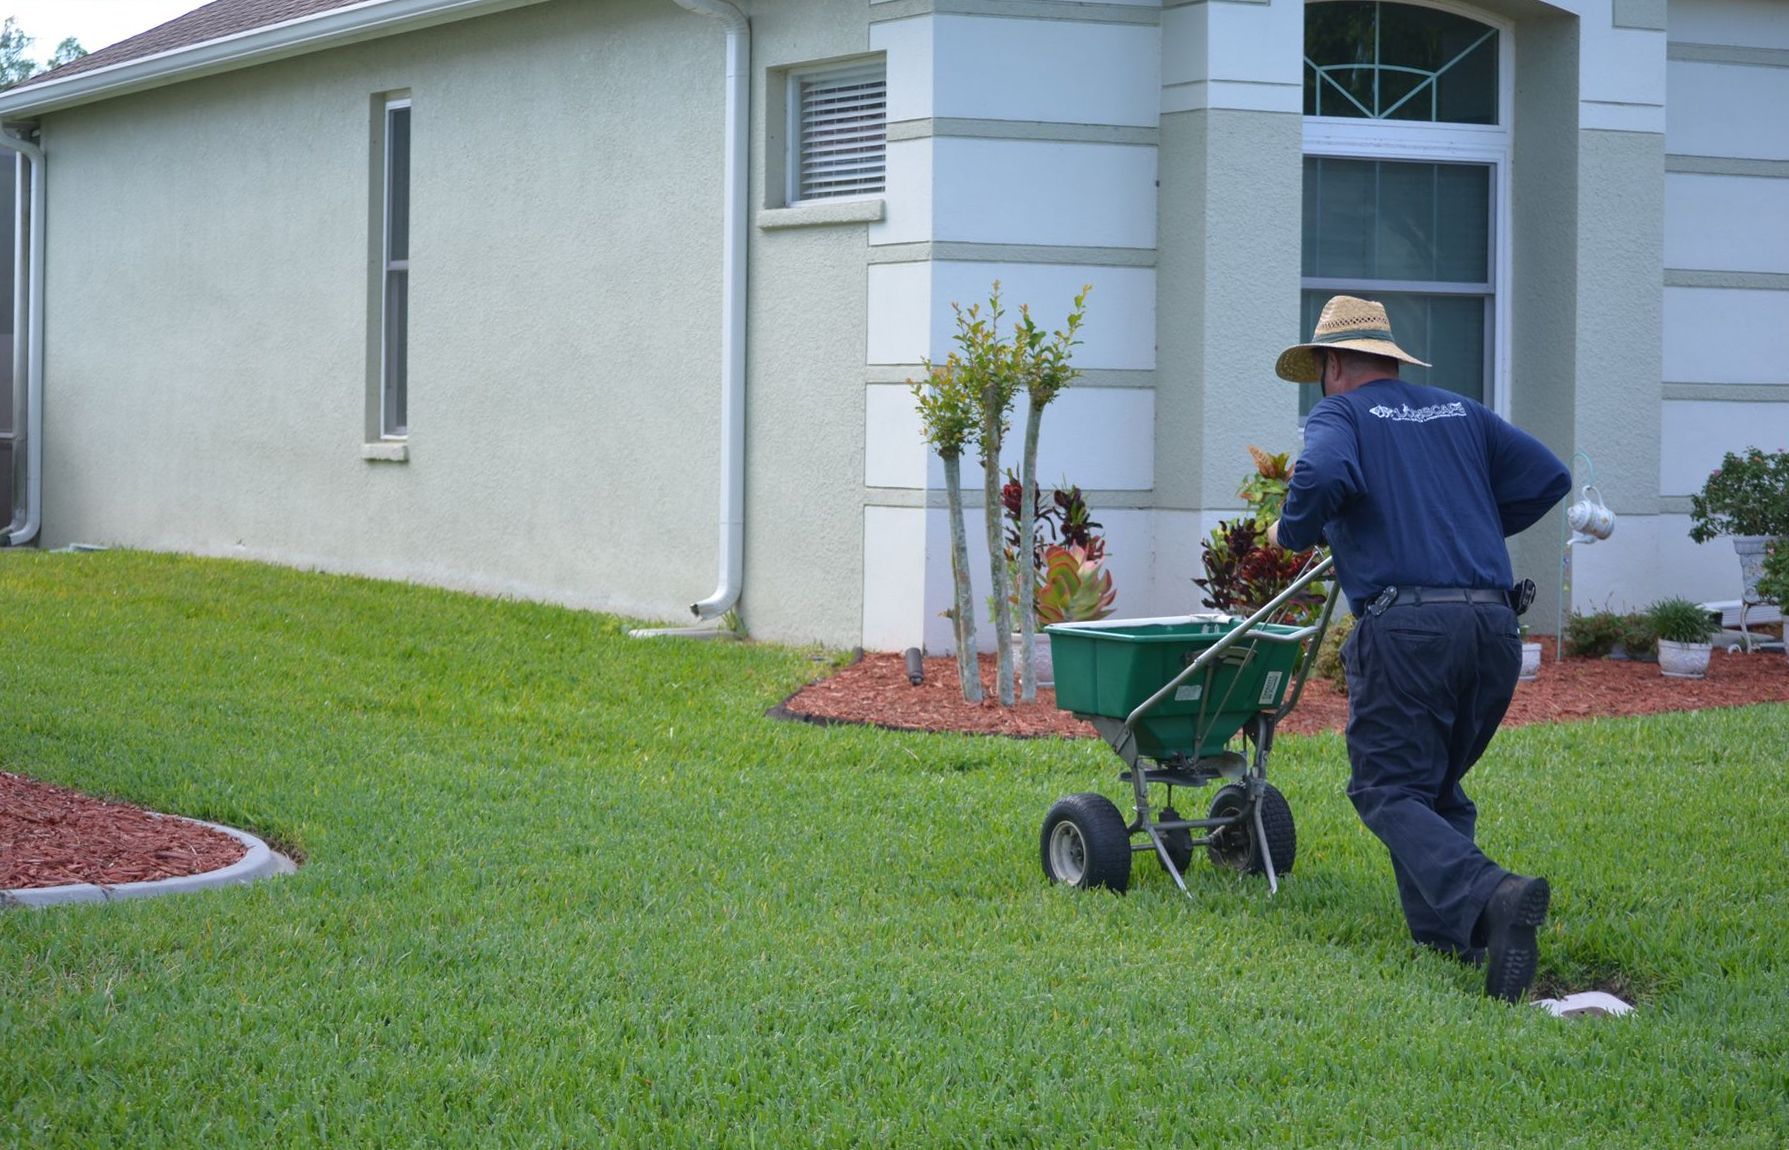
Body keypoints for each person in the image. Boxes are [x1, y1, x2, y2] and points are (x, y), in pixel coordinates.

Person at [1265, 295, 1570, 1002]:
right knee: (1433, 787)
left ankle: (1491, 894)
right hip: (1494, 628)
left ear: (1333, 365)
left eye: (1320, 370)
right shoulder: (1459, 412)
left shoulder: (1339, 414)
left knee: (1384, 788)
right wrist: (1462, 523)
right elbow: (1548, 476)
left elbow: (1315, 478)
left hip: (1408, 629)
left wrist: (1294, 531)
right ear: (1391, 362)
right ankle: (1459, 936)